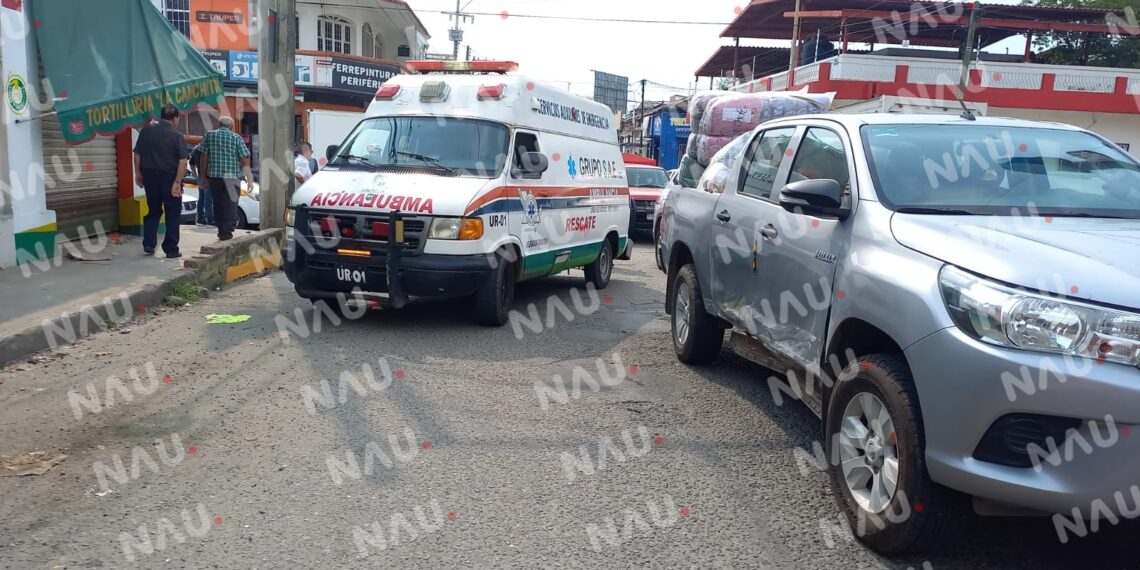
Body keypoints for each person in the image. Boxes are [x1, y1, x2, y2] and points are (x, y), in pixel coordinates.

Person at [133, 105, 187, 258]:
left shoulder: (147, 131)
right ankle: (171, 249)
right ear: (175, 118)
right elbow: (183, 161)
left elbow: (137, 154)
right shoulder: (177, 135)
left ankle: (149, 243)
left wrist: (138, 173)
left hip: (150, 178)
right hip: (170, 178)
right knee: (173, 213)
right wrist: (177, 182)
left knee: (153, 210)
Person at [199, 116, 253, 241]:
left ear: (218, 124)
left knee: (217, 203)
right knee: (230, 205)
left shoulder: (209, 136)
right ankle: (227, 231)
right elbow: (244, 159)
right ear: (232, 127)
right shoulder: (236, 138)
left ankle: (221, 229)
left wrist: (203, 175)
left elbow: (203, 156)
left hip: (215, 177)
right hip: (232, 177)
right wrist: (249, 179)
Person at [189, 142, 213, 226]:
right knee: (208, 199)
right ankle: (210, 219)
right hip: (207, 177)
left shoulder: (195, 149)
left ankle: (200, 218)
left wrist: (194, 173)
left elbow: (191, 163)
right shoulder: (206, 150)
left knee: (201, 198)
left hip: (200, 176)